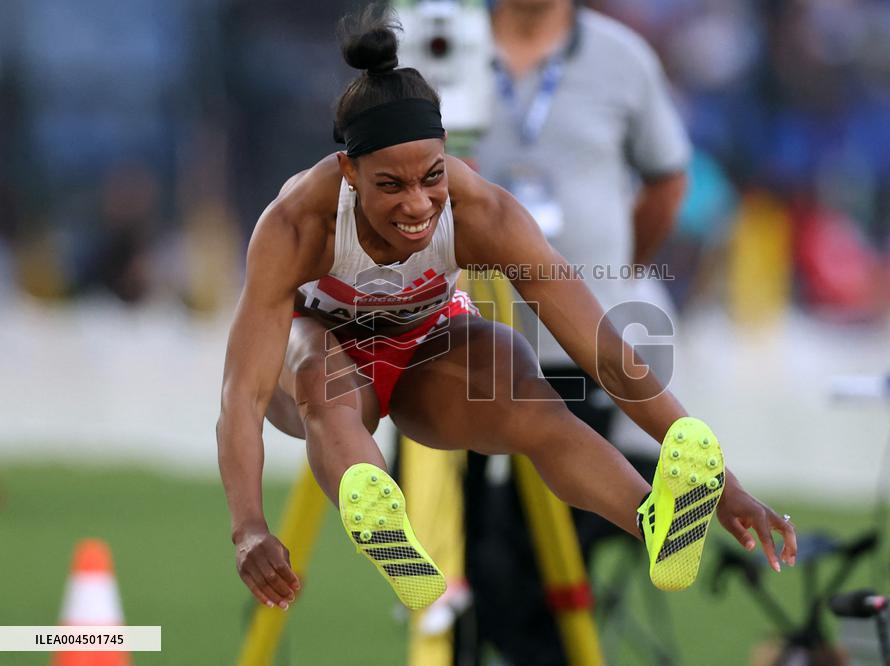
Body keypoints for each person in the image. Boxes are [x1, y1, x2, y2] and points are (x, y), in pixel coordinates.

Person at [215, 4, 797, 616]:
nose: (418, 206)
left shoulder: (482, 212)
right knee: (319, 374)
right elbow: (243, 395)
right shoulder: (297, 225)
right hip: (326, 361)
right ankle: (380, 512)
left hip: (424, 348)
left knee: (533, 397)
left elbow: (600, 346)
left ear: (447, 158)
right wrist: (248, 527)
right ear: (349, 172)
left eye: (431, 178)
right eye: (391, 185)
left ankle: (654, 519)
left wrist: (722, 485)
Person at [465, 0, 694, 659]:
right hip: (453, 339)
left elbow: (668, 179)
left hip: (571, 345)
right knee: (447, 542)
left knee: (552, 551)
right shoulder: (441, 44)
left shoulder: (622, 59)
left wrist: (608, 275)